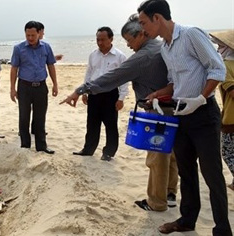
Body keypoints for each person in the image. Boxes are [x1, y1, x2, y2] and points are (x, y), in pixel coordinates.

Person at [60, 15, 178, 211]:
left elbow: (111, 78)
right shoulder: (160, 46)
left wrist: (79, 90)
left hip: (158, 110)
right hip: (173, 108)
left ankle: (157, 202)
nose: (129, 46)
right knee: (171, 154)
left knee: (157, 158)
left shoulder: (142, 57)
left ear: (141, 34)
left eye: (130, 41)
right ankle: (170, 193)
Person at [137, 0, 232, 235]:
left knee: (212, 174)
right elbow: (175, 82)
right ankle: (187, 220)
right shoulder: (165, 48)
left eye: (143, 22)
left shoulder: (191, 35)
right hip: (180, 115)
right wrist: (159, 94)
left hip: (204, 115)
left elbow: (217, 68)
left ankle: (222, 228)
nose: (142, 29)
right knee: (186, 170)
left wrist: (200, 98)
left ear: (157, 18)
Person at [72, 26, 129, 161]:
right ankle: (88, 149)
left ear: (111, 39)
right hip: (93, 94)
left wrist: (121, 98)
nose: (100, 43)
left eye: (103, 39)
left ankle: (108, 152)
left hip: (111, 95)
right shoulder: (93, 55)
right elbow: (89, 73)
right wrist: (84, 92)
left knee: (111, 125)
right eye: (98, 39)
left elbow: (124, 79)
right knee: (92, 123)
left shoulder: (120, 56)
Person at [10, 20, 58, 154]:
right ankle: (25, 145)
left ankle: (41, 146)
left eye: (33, 35)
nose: (30, 38)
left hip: (41, 86)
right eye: (28, 35)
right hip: (24, 86)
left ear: (39, 33)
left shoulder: (46, 47)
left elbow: (51, 65)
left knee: (40, 117)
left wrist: (55, 84)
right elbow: (14, 68)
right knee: (24, 116)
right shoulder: (18, 48)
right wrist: (12, 88)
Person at [210, 30, 234, 191]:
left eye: (220, 46)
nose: (218, 50)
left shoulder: (225, 66)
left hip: (231, 118)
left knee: (227, 152)